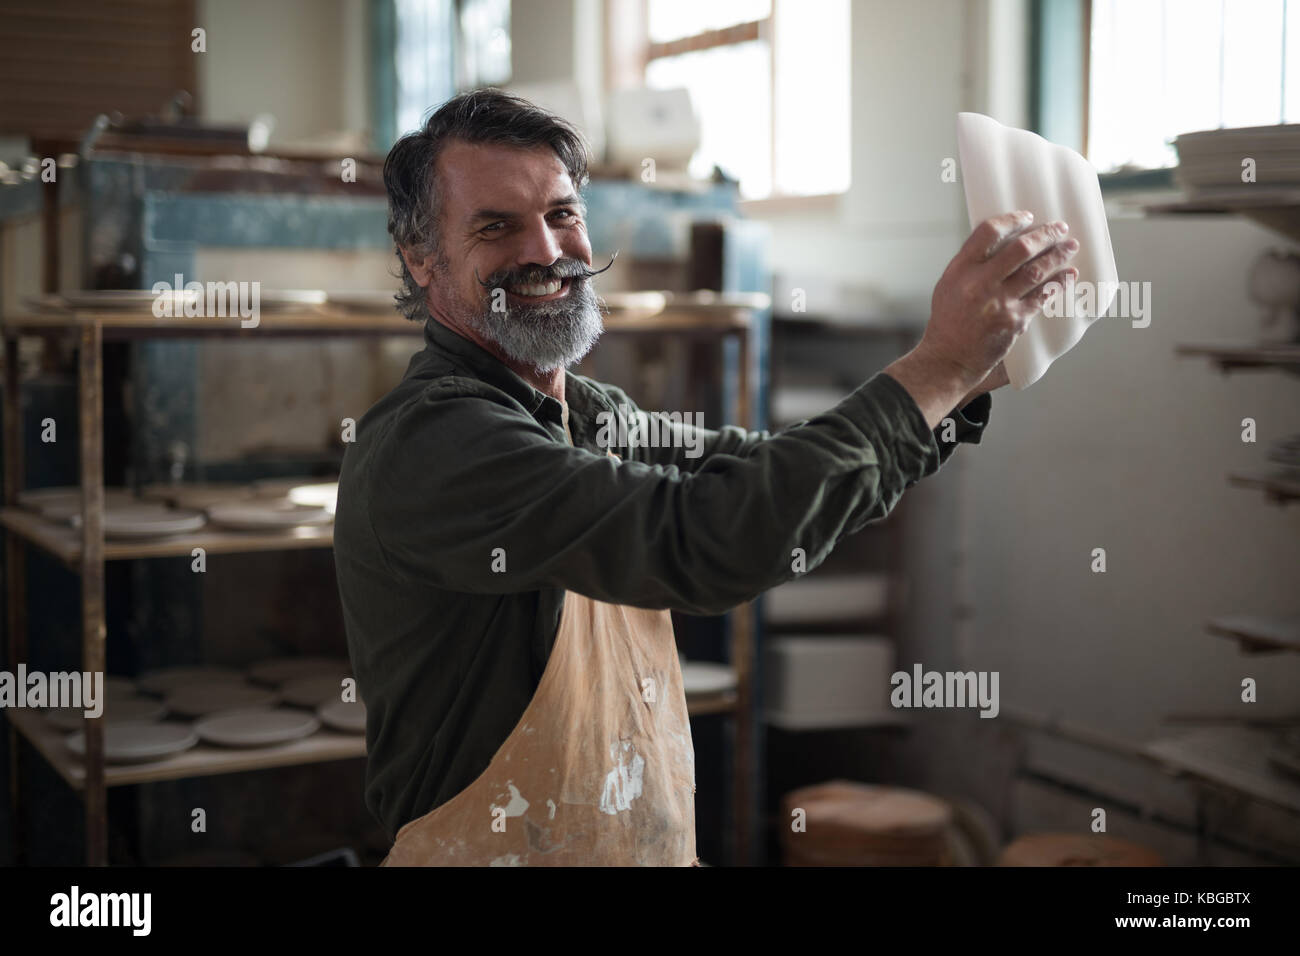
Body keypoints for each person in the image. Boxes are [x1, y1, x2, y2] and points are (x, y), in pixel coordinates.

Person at [332, 89, 1079, 866]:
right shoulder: (436, 441)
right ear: (422, 259)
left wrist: (963, 382)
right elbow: (706, 539)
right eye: (496, 226)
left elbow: (764, 472)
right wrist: (935, 366)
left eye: (562, 214)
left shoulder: (584, 411)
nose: (548, 252)